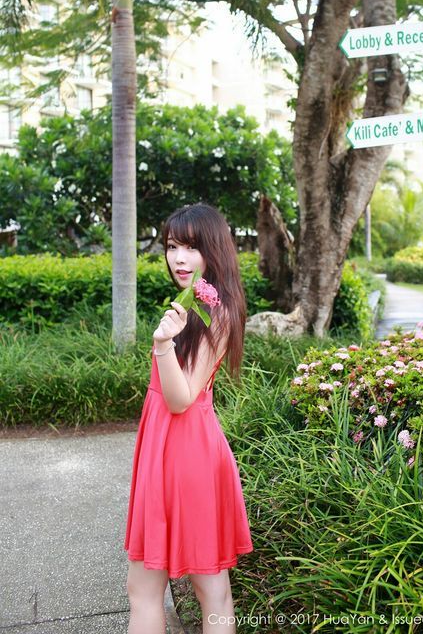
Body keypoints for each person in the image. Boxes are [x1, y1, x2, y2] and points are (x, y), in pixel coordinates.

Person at [123, 203, 254, 634]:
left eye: (191, 247)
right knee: (162, 589)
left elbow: (180, 399)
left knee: (202, 590)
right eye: (172, 246)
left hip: (186, 455)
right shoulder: (193, 305)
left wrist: (162, 345)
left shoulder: (219, 312)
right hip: (168, 450)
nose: (179, 258)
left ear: (214, 250)